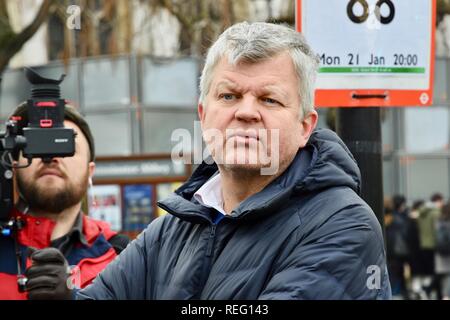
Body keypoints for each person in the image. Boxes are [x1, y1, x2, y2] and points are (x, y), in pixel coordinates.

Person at [78, 21, 391, 300]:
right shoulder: (173, 228)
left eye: (269, 99)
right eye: (229, 96)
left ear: (304, 127)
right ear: (202, 115)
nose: (245, 112)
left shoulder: (342, 224)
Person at [0, 102, 129, 299]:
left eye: (64, 144)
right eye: (36, 144)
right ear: (14, 165)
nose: (50, 157)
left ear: (89, 171)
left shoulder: (122, 256)